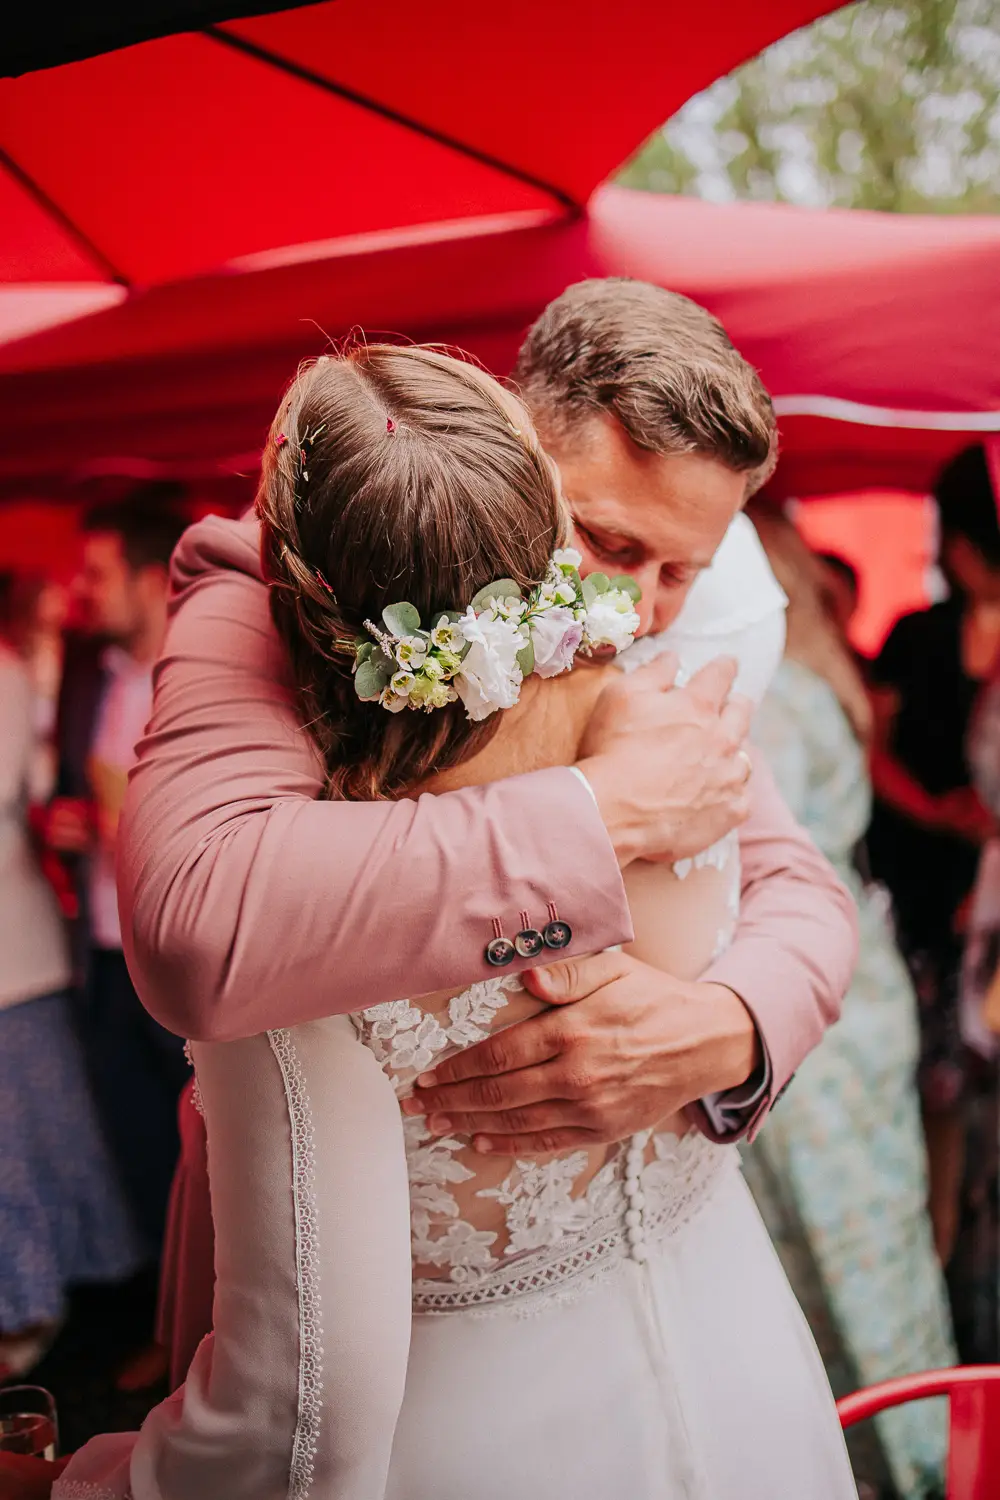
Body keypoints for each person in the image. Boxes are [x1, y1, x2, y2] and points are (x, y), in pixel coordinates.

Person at [49, 322, 855, 1495]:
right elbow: (195, 922)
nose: (640, 611)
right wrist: (600, 817)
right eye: (610, 545)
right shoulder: (261, 587)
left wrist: (728, 1027)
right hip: (447, 1386)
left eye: (683, 572)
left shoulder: (649, 629)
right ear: (517, 458)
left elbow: (803, 890)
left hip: (726, 1324)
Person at [745, 505, 955, 1500]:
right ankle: (921, 1452)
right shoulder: (810, 673)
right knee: (879, 1237)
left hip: (811, 996)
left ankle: (899, 1464)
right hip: (852, 980)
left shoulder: (769, 696)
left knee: (838, 1252)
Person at [43, 493, 191, 1388]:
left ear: (148, 577)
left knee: (210, 1158)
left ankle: (218, 1337)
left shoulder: (200, 680)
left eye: (98, 573)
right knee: (140, 1149)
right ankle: (168, 1328)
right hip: (102, 955)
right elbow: (71, 789)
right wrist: (69, 823)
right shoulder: (87, 677)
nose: (81, 589)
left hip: (178, 960)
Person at [0, 581, 140, 1380]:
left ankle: (42, 1305)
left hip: (18, 952)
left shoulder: (9, 674)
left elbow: (19, 795)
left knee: (32, 1139)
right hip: (54, 936)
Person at [867, 444, 1000, 1280]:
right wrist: (934, 811)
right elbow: (869, 744)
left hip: (980, 897)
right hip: (923, 884)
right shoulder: (919, 634)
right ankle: (942, 1246)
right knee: (934, 1085)